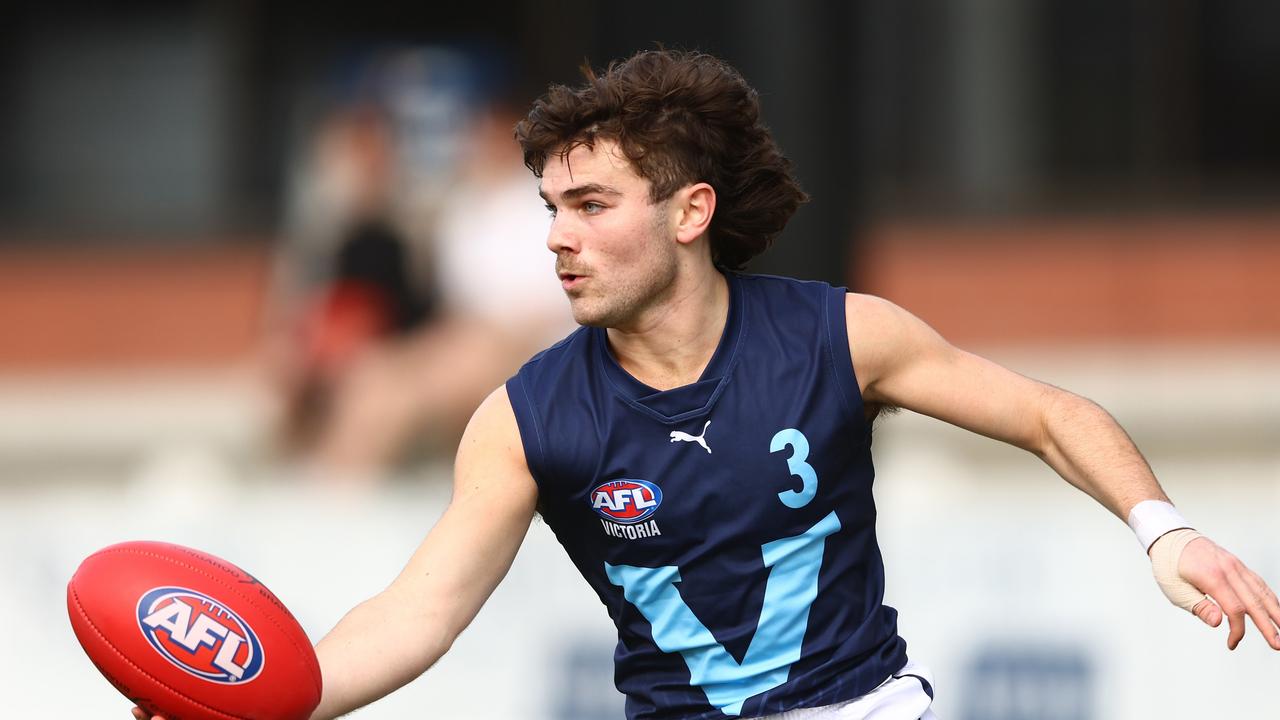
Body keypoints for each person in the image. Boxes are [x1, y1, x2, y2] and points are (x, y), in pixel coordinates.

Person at [135, 49, 1280, 720]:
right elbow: (415, 613)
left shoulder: (840, 336)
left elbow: (1045, 413)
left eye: (590, 208)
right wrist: (259, 700)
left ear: (690, 214)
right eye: (549, 211)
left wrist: (1161, 532)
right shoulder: (525, 418)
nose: (556, 242)